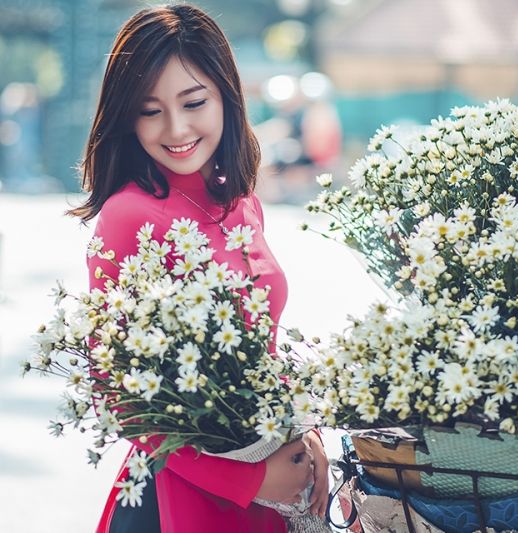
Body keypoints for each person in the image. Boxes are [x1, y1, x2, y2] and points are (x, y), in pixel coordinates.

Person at [67, 5, 329, 532]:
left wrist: (307, 432)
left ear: (227, 96)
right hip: (183, 499)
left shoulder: (240, 202)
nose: (177, 128)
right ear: (125, 116)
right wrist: (246, 482)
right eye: (150, 110)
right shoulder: (128, 216)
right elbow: (117, 394)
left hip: (274, 482)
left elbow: (263, 350)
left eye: (194, 102)